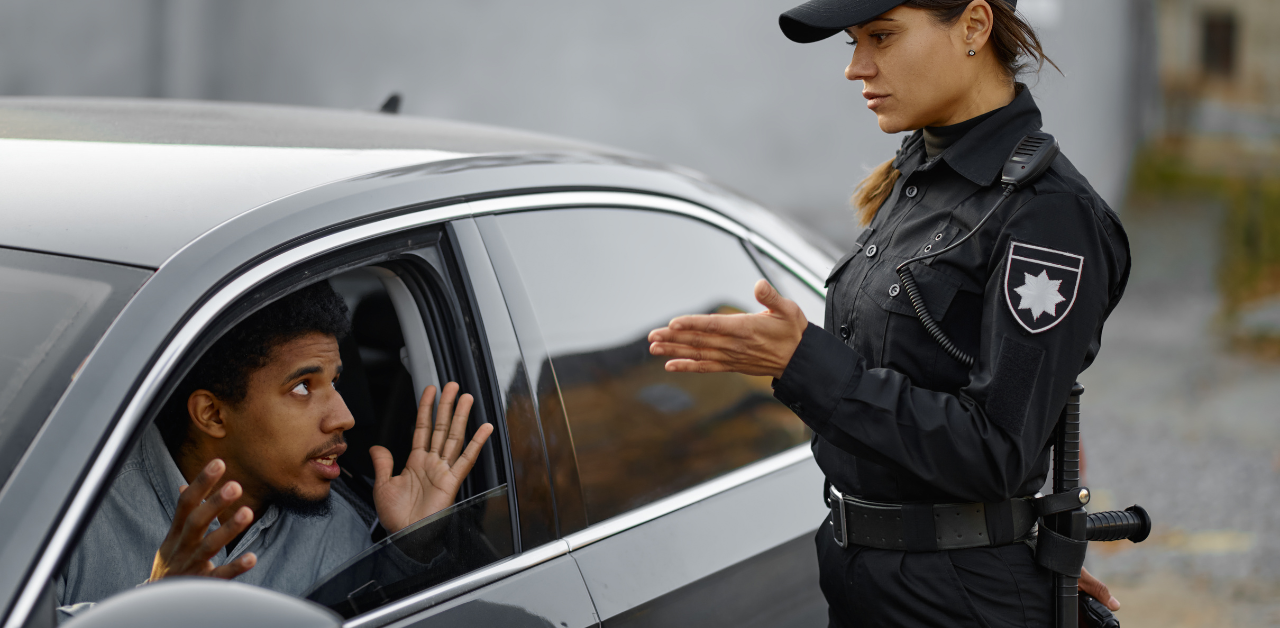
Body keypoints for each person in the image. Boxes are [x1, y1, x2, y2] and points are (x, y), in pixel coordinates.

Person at [647, 0, 1129, 625]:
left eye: (881, 36)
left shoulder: (1046, 212)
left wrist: (804, 364)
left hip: (953, 600)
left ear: (974, 27)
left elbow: (997, 451)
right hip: (866, 573)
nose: (856, 67)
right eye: (854, 40)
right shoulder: (920, 171)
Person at [56, 282, 493, 619]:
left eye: (335, 382)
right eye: (303, 387)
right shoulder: (69, 513)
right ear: (212, 414)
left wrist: (409, 547)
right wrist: (148, 614)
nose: (344, 417)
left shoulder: (336, 525)